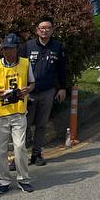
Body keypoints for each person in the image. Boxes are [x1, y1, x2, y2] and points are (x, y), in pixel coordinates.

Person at [0, 33, 35, 194]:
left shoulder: (25, 64)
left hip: (19, 111)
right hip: (0, 113)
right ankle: (4, 180)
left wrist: (28, 89)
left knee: (20, 147)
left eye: (11, 49)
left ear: (17, 49)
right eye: (5, 49)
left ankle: (23, 179)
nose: (8, 52)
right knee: (0, 149)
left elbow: (32, 83)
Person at [24, 17, 68, 167]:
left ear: (52, 30)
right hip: (28, 93)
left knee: (42, 125)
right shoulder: (27, 46)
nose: (45, 30)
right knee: (24, 125)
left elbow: (61, 69)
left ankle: (37, 154)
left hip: (48, 92)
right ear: (37, 30)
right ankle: (20, 156)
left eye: (48, 28)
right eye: (42, 28)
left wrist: (62, 87)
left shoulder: (57, 47)